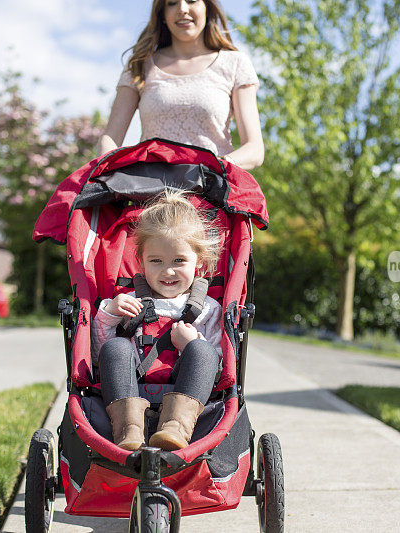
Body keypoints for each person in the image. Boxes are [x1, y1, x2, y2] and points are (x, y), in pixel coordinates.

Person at [92, 190, 223, 451]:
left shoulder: (208, 308)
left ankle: (175, 427)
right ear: (141, 261)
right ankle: (128, 430)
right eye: (156, 261)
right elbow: (99, 353)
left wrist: (192, 344)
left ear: (199, 262)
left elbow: (220, 364)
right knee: (115, 347)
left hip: (188, 396)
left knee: (203, 351)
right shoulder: (130, 301)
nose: (168, 271)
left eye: (179, 260)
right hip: (132, 387)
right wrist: (110, 313)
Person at [97, 0, 264, 170]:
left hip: (212, 188)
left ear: (207, 8)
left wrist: (216, 168)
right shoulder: (140, 64)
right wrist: (109, 174)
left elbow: (254, 149)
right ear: (162, 14)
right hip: (152, 189)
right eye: (172, 3)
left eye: (191, 1)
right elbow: (110, 138)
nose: (182, 9)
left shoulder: (235, 63)